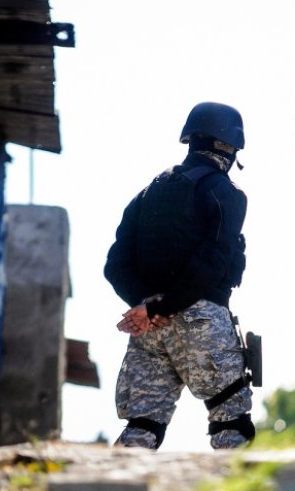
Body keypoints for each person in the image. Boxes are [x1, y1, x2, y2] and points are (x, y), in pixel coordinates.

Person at [104, 101, 254, 450]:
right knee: (231, 422)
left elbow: (115, 265)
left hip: (150, 329)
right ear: (228, 147)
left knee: (142, 426)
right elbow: (212, 263)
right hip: (199, 320)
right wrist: (160, 306)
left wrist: (147, 306)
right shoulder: (225, 193)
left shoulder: (146, 194)